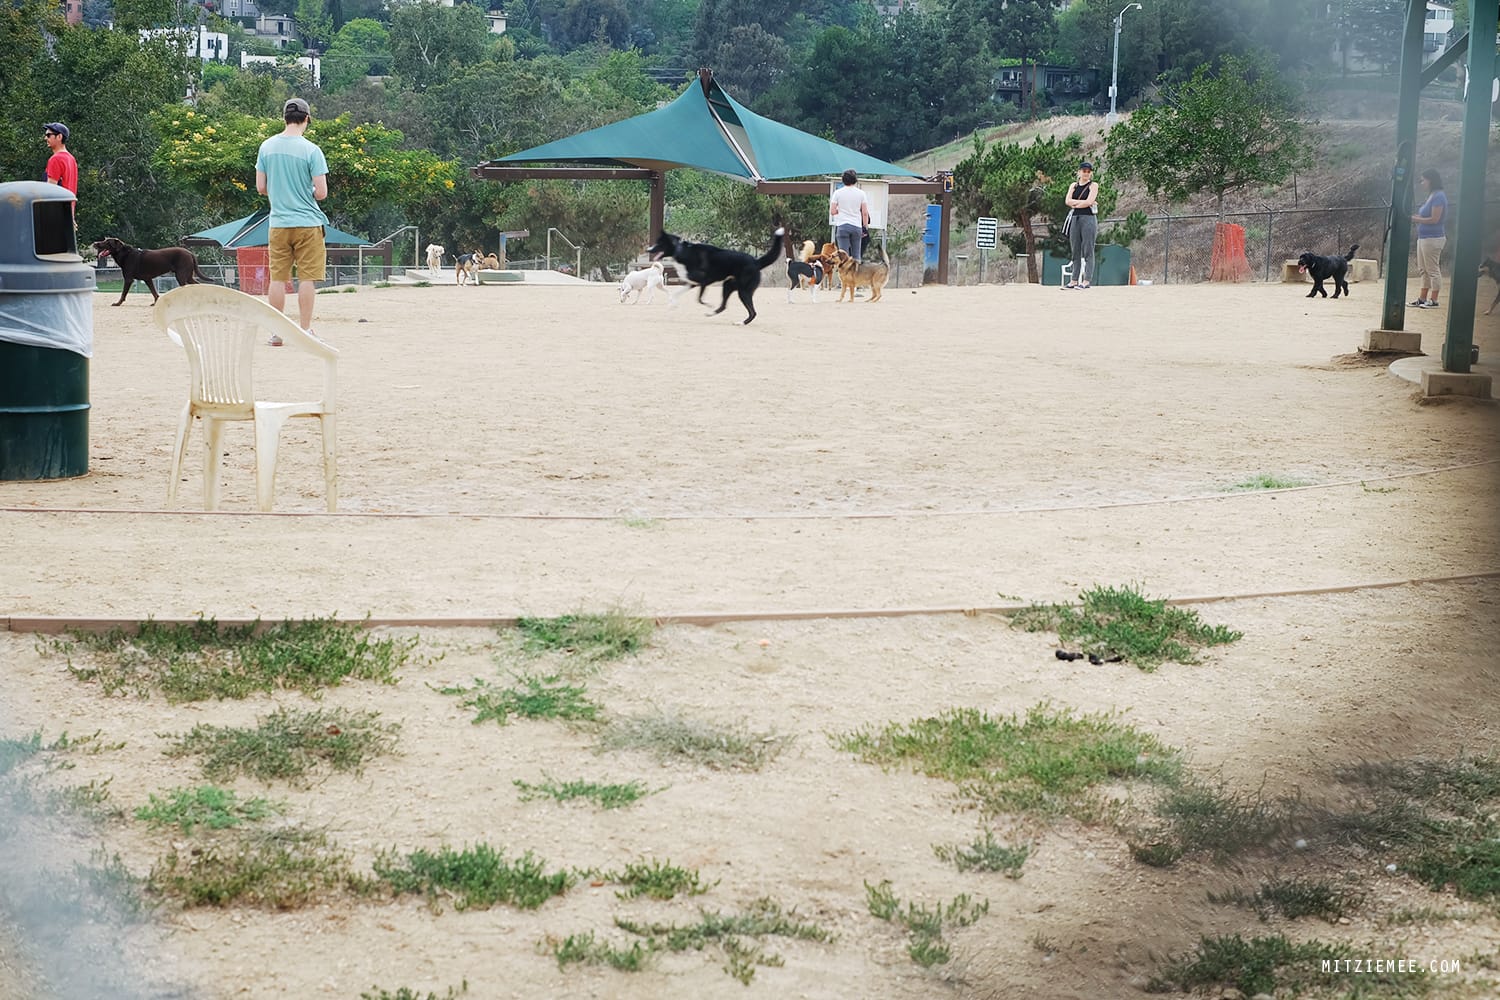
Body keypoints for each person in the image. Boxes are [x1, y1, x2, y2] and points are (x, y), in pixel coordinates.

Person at [255, 97, 329, 342]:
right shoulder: (312, 150)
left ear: (284, 118)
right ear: (307, 119)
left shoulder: (266, 147)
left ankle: (277, 332)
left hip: (278, 223)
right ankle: (305, 329)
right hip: (308, 223)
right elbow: (321, 192)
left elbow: (261, 187)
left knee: (277, 278)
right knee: (306, 278)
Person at [1409, 168, 1447, 310]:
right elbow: (1426, 217)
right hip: (1424, 237)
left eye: (1423, 180)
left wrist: (1414, 219)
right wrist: (1415, 218)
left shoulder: (1439, 197)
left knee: (1432, 269)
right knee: (1423, 269)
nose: (1422, 183)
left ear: (1431, 180)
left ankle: (1434, 300)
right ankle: (1422, 298)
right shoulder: (1432, 195)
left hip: (1433, 238)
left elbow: (1434, 219)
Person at [1063, 161, 1098, 289]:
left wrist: (1077, 203)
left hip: (1088, 218)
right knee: (1075, 249)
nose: (1086, 174)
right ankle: (1074, 280)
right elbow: (1067, 201)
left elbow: (1089, 202)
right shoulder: (1073, 185)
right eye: (1084, 171)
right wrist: (1082, 203)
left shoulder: (1093, 185)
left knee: (1088, 249)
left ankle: (1086, 280)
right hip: (1075, 218)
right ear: (1079, 172)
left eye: (1088, 172)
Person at [829, 168, 871, 262]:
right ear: (855, 180)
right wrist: (865, 226)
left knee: (843, 256)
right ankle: (856, 275)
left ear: (843, 180)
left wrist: (840, 211)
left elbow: (832, 211)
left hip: (842, 226)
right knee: (856, 255)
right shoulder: (861, 194)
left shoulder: (837, 193)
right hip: (856, 226)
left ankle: (845, 276)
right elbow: (864, 213)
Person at [43, 122, 78, 225]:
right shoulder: (71, 159)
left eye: (49, 135)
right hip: (67, 214)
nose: (45, 138)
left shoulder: (56, 159)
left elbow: (50, 192)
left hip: (56, 215)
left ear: (59, 137)